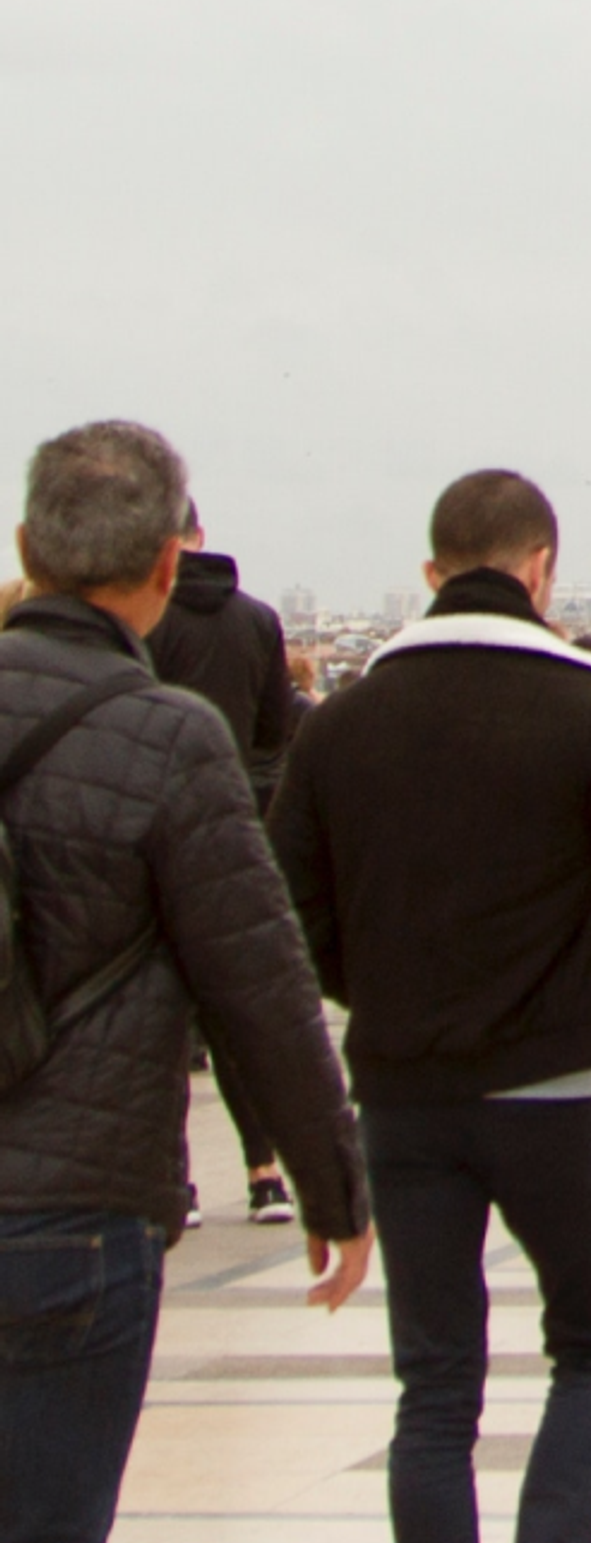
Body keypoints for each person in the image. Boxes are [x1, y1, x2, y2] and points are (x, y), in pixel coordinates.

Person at [273, 468, 591, 1543]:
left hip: (405, 1091)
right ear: (541, 567)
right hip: (555, 1089)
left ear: (428, 571)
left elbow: (299, 910)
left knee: (435, 1392)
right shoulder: (587, 703)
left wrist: (388, 990)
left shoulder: (344, 721)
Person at [2, 423, 371, 1543]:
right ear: (165, 569)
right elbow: (256, 980)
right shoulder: (168, 736)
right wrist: (328, 1181)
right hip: (74, 1216)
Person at [142, 498, 308, 1225]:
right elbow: (277, 727)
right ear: (200, 538)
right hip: (238, 826)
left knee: (164, 1021)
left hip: (155, 832)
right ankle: (265, 1172)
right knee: (235, 1012)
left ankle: (177, 1182)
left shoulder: (143, 621)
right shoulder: (258, 619)